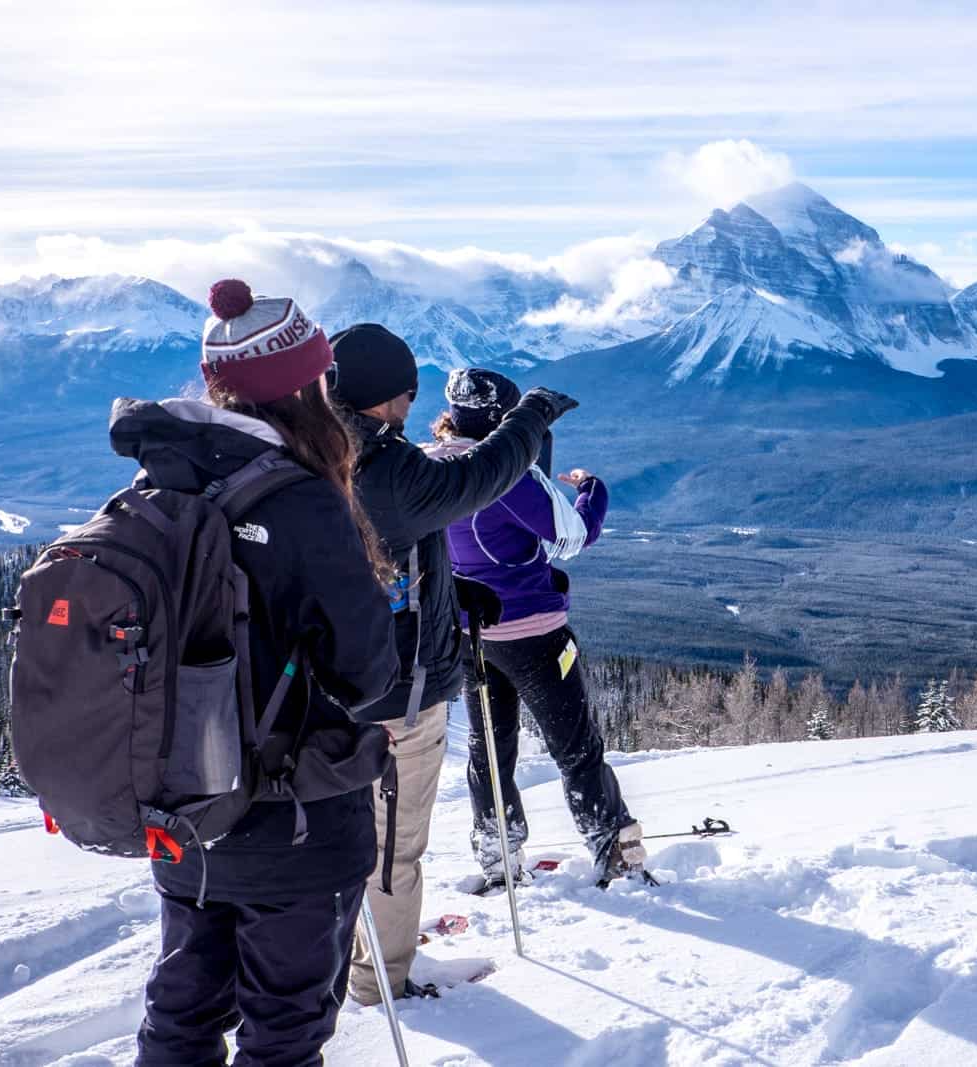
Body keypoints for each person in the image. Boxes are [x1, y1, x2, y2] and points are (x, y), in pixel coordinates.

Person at [127, 280, 401, 1066]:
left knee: (180, 1019)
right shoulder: (304, 501)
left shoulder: (159, 485)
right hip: (297, 824)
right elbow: (369, 672)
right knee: (283, 1035)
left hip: (182, 816)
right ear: (300, 389)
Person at [324, 323, 578, 1005]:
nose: (410, 409)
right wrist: (531, 417)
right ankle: (382, 981)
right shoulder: (386, 463)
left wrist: (445, 588)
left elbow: (376, 554)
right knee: (393, 847)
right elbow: (480, 477)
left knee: (344, 835)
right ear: (381, 398)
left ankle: (350, 955)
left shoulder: (313, 450)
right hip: (395, 694)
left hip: (328, 686)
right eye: (405, 395)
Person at [431, 368, 646, 888]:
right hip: (535, 633)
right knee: (575, 746)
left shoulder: (423, 467)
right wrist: (592, 491)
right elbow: (572, 537)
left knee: (489, 752)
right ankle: (614, 846)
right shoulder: (505, 474)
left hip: (471, 636)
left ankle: (498, 856)